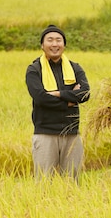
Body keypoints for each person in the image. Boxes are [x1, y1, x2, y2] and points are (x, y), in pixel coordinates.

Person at [26, 24, 90, 182]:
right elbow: (40, 98)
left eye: (58, 40)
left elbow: (85, 93)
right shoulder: (35, 70)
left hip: (72, 134)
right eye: (50, 40)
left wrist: (58, 94)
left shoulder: (75, 68)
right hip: (45, 133)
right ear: (42, 45)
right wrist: (70, 101)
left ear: (64, 44)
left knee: (72, 182)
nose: (54, 44)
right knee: (44, 183)